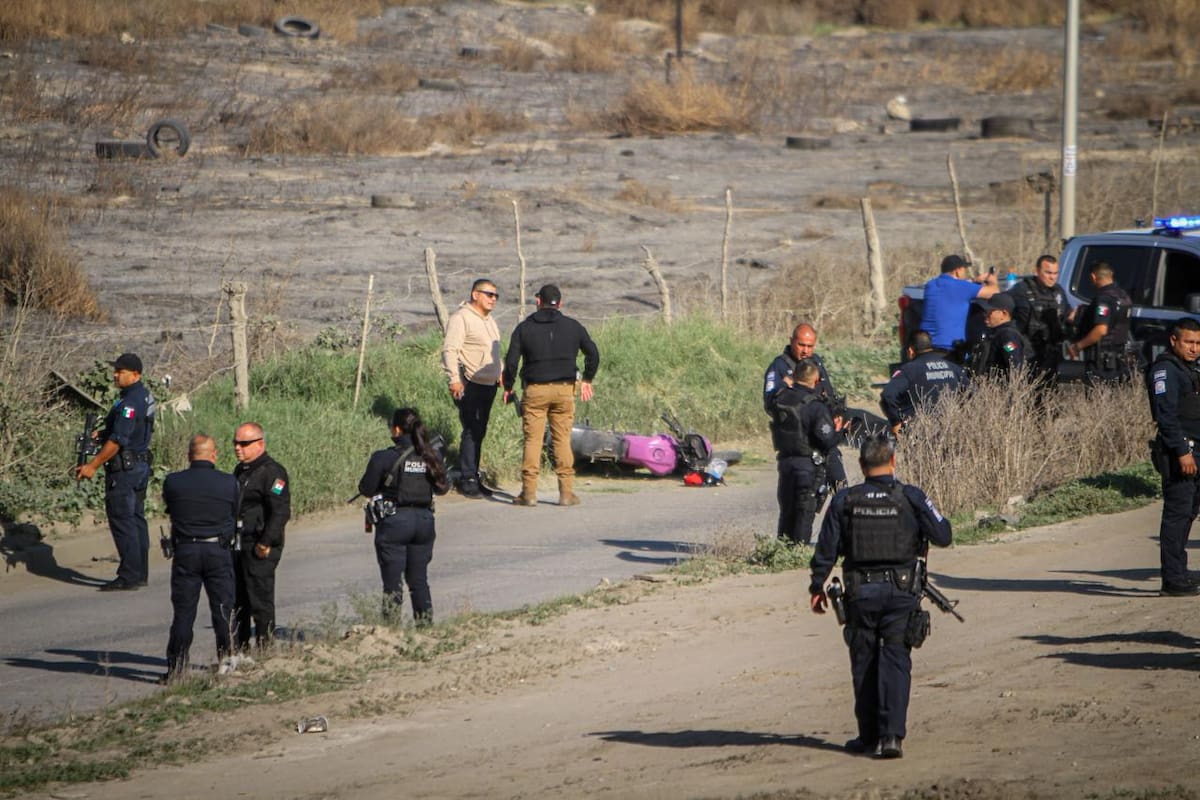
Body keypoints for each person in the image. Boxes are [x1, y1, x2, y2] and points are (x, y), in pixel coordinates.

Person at [809, 435, 952, 759]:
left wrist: (817, 587)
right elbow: (943, 535)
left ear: (861, 465)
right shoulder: (911, 497)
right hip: (901, 592)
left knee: (864, 662)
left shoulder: (844, 500)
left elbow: (826, 550)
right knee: (896, 661)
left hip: (860, 594)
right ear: (893, 462)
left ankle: (868, 737)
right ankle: (891, 738)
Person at [502, 284, 600, 507]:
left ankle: (529, 493)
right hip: (564, 390)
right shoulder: (573, 327)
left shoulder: (524, 328)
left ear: (538, 301)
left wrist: (508, 386)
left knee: (533, 441)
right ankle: (566, 493)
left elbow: (511, 361)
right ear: (560, 303)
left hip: (535, 391)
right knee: (562, 440)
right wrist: (587, 379)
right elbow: (593, 354)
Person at [358, 407, 451, 623]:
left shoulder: (383, 457)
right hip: (424, 523)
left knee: (393, 584)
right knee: (418, 581)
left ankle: (391, 631)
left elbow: (366, 488)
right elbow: (443, 488)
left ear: (398, 430)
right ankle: (425, 627)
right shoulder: (431, 455)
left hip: (395, 524)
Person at [75, 352, 156, 591]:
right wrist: (101, 434)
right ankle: (139, 573)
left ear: (136, 374)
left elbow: (119, 440)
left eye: (121, 371)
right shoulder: (142, 396)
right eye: (116, 370)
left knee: (123, 520)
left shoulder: (130, 402)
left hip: (125, 470)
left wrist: (92, 465)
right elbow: (130, 429)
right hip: (139, 466)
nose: (115, 375)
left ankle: (129, 576)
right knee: (136, 519)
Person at [161, 434, 238, 682]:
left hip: (186, 551)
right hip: (217, 550)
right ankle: (227, 664)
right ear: (214, 455)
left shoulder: (173, 482)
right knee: (223, 610)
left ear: (189, 456)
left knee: (183, 614)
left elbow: (171, 510)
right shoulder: (229, 482)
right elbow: (234, 512)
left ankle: (176, 669)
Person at [1146, 318, 1200, 597]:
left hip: (1194, 450)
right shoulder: (1165, 370)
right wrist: (1182, 452)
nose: (1194, 348)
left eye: (1198, 343)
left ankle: (1180, 573)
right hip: (1181, 452)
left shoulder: (1188, 369)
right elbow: (1166, 417)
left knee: (1188, 513)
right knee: (1177, 515)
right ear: (1174, 341)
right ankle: (1172, 580)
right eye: (1189, 342)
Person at [762, 322, 847, 488]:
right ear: (791, 341)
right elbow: (769, 404)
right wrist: (786, 386)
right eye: (801, 345)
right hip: (797, 442)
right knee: (802, 498)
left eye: (810, 346)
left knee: (840, 485)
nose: (805, 350)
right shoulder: (779, 366)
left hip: (821, 435)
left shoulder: (816, 363)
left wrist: (836, 415)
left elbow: (828, 394)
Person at [768, 359, 843, 545]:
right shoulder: (815, 406)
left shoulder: (780, 399)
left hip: (785, 463)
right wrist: (840, 431)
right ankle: (798, 551)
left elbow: (770, 401)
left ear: (794, 376)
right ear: (816, 380)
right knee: (804, 512)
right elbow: (827, 440)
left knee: (787, 511)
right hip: (807, 466)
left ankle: (782, 551)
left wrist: (784, 384)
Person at [441, 278, 503, 498]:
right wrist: (454, 379)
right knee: (471, 430)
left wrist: (501, 372)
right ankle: (467, 479)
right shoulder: (461, 318)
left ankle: (474, 476)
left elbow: (493, 353)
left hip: (489, 384)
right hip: (470, 383)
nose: (493, 299)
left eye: (496, 295)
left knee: (480, 431)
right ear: (475, 294)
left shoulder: (490, 321)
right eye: (489, 294)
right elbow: (450, 350)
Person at [232, 422, 290, 651]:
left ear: (260, 444)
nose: (238, 448)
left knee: (260, 600)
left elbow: (280, 511)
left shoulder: (273, 472)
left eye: (244, 443)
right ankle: (241, 650)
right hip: (239, 543)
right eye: (235, 443)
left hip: (260, 545)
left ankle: (266, 650)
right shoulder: (241, 470)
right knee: (239, 601)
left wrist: (266, 542)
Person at [879, 330, 964, 433]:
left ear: (911, 351)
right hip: (951, 427)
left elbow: (887, 395)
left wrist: (896, 423)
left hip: (919, 431)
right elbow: (972, 392)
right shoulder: (953, 367)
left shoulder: (908, 370)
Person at [1068, 261, 1133, 384]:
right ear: (1111, 275)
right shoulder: (1123, 296)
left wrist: (1078, 346)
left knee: (1097, 393)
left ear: (1093, 277)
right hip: (1119, 359)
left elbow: (1101, 330)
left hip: (1102, 362)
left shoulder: (1104, 299)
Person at [1009, 255, 1071, 382]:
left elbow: (1066, 314)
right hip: (1028, 351)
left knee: (1050, 387)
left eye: (1055, 273)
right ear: (1037, 271)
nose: (1052, 277)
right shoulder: (1021, 290)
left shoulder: (1058, 291)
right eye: (1048, 273)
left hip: (1050, 352)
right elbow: (1003, 310)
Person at [918, 255, 1000, 352]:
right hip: (949, 347)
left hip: (925, 345)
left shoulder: (931, 285)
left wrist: (974, 280)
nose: (965, 273)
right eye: (964, 269)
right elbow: (994, 293)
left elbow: (954, 288)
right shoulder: (962, 287)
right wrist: (992, 281)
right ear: (958, 271)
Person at [970, 294, 1029, 377]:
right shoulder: (995, 333)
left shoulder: (1007, 336)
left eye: (990, 311)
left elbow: (1014, 364)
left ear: (1004, 314)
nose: (985, 315)